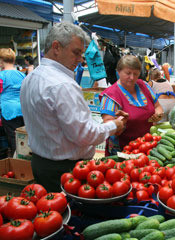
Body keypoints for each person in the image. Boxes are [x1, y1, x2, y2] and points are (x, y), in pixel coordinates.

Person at [20, 22, 127, 192]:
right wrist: (114, 125)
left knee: (51, 212)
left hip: (41, 164)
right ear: (56, 47)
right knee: (67, 213)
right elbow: (85, 135)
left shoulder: (30, 78)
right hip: (66, 170)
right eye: (76, 53)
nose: (80, 60)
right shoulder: (62, 85)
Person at [100, 55, 164, 156]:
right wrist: (120, 122)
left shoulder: (144, 85)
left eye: (135, 74)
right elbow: (108, 126)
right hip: (122, 151)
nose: (132, 77)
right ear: (118, 71)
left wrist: (158, 114)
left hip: (146, 147)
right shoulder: (111, 96)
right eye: (128, 73)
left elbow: (157, 106)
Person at [0, 48, 25, 157]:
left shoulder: (1, 76)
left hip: (9, 111)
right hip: (22, 109)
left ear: (1, 60)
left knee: (13, 140)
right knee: (22, 138)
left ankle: (17, 164)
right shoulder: (21, 75)